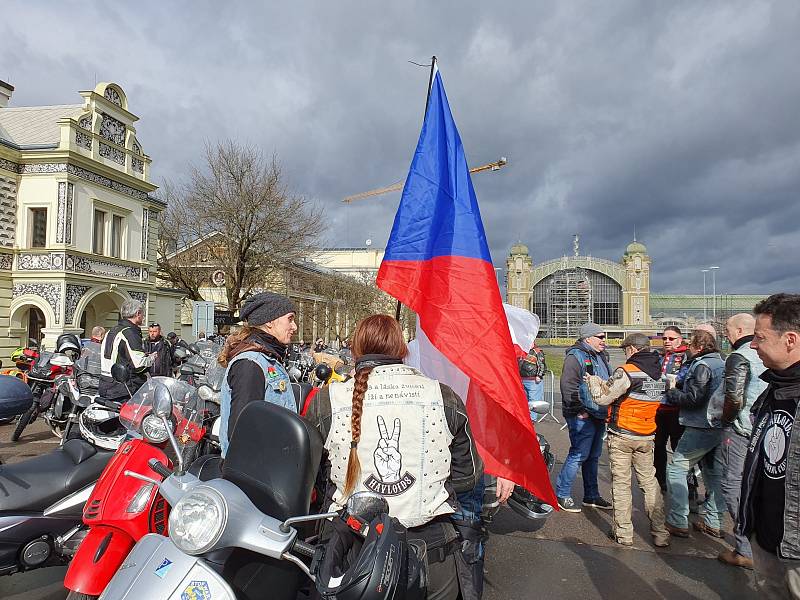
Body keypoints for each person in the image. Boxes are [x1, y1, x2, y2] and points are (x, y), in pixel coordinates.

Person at [304, 314, 483, 600]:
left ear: (355, 349)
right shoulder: (443, 395)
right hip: (431, 549)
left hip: (355, 549)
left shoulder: (328, 399)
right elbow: (469, 476)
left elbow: (310, 475)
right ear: (403, 349)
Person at [738, 294, 800, 598]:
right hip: (766, 536)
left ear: (789, 339)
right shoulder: (773, 390)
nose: (752, 345)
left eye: (759, 337)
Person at [585, 333, 670, 547]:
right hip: (647, 435)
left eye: (625, 350)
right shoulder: (661, 374)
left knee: (622, 484)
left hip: (622, 434)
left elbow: (603, 398)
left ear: (632, 349)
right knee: (650, 483)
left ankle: (623, 534)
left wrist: (594, 383)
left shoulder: (627, 371)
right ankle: (660, 532)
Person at [706, 314, 766, 570]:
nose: (726, 336)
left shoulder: (740, 356)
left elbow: (734, 396)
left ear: (740, 330)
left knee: (733, 485)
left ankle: (745, 548)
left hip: (741, 429)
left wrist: (725, 419)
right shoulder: (766, 353)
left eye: (728, 331)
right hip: (765, 428)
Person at [217, 292, 297, 456]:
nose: (294, 326)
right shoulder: (250, 364)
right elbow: (241, 432)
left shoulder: (268, 359)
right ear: (269, 322)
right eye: (290, 319)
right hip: (255, 472)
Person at [662, 329, 725, 538]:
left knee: (676, 468)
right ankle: (713, 522)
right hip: (718, 424)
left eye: (690, 345)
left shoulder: (702, 365)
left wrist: (672, 392)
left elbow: (693, 398)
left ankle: (678, 520)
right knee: (713, 474)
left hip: (700, 424)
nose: (688, 349)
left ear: (698, 346)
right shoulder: (721, 362)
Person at [555, 322, 613, 513]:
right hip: (583, 414)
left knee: (593, 456)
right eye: (600, 337)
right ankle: (562, 494)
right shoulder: (575, 356)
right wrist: (579, 409)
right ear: (588, 338)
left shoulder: (602, 356)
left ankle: (592, 495)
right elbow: (568, 386)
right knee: (579, 454)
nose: (604, 340)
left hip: (599, 413)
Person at [99, 299, 155, 401]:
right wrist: (151, 358)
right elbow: (139, 365)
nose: (143, 317)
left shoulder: (111, 330)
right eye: (143, 314)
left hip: (105, 383)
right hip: (124, 389)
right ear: (138, 313)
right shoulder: (129, 333)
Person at [655, 326, 688, 491]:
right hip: (659, 409)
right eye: (664, 338)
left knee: (679, 449)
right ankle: (660, 481)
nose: (667, 341)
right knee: (658, 446)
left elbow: (685, 378)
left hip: (677, 410)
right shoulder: (659, 356)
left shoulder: (685, 356)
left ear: (679, 339)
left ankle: (687, 487)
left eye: (671, 338)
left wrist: (671, 381)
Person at [519, 341, 547, 423]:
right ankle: (527, 417)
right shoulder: (522, 351)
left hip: (533, 380)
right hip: (523, 378)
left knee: (533, 400)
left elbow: (541, 364)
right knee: (525, 400)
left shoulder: (537, 351)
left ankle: (532, 419)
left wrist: (539, 375)